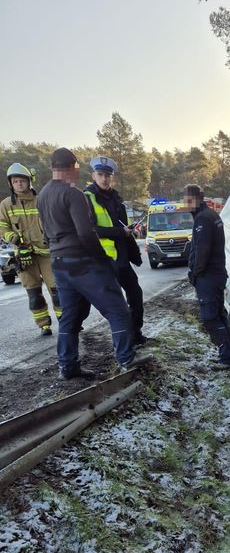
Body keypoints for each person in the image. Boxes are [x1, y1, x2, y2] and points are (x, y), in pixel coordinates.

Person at [36, 147, 135, 380]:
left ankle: (67, 367)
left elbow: (44, 233)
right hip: (82, 262)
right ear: (73, 168)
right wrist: (103, 260)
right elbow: (86, 233)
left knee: (70, 316)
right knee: (118, 310)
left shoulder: (42, 195)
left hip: (58, 263)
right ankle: (126, 362)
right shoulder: (73, 193)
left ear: (52, 167)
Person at [84, 156, 146, 345]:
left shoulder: (115, 197)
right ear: (93, 175)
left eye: (108, 175)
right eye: (101, 174)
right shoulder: (87, 197)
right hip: (104, 260)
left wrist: (128, 230)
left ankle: (135, 334)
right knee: (116, 304)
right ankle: (124, 343)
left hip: (122, 257)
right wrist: (120, 231)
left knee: (136, 295)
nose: (104, 179)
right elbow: (90, 229)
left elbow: (120, 225)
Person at [0, 163, 61, 335]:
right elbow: (2, 227)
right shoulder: (5, 205)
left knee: (57, 290)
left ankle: (66, 322)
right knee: (34, 293)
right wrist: (12, 238)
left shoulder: (41, 199)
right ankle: (43, 325)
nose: (19, 184)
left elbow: (53, 221)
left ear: (29, 181)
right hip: (24, 255)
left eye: (22, 181)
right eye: (15, 181)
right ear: (11, 184)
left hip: (46, 252)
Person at [183, 183, 230, 369]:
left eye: (189, 200)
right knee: (219, 316)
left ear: (197, 199)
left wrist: (195, 273)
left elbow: (202, 250)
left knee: (210, 317)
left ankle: (227, 359)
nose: (187, 204)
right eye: (185, 200)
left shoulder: (203, 219)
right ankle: (227, 356)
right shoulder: (210, 215)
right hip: (216, 274)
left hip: (209, 277)